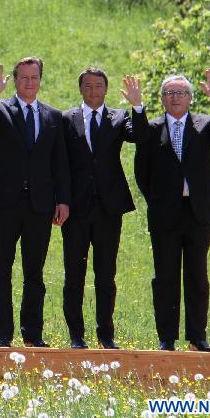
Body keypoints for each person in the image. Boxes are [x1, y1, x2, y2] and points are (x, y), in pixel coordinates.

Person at [134, 69, 210, 352]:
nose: (175, 97)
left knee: (197, 276)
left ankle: (197, 337)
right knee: (164, 278)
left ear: (190, 98)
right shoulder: (151, 130)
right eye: (169, 93)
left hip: (197, 213)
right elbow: (142, 172)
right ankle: (166, 338)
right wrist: (159, 200)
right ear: (162, 99)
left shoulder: (204, 125)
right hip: (165, 214)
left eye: (180, 93)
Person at [0, 57, 70, 348]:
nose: (29, 82)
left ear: (40, 80)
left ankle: (33, 334)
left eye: (34, 77)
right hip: (3, 201)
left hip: (39, 204)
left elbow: (60, 162)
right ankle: (3, 334)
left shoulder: (54, 116)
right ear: (15, 80)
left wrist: (63, 200)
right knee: (1, 270)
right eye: (24, 77)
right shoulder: (1, 108)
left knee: (35, 273)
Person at [60, 68, 148, 350]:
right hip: (75, 207)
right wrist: (61, 200)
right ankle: (76, 335)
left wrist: (137, 106)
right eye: (88, 86)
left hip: (109, 207)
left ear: (106, 89)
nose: (94, 91)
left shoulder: (119, 117)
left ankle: (105, 335)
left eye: (99, 86)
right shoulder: (67, 119)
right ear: (81, 89)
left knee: (105, 274)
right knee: (74, 272)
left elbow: (141, 136)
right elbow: (59, 161)